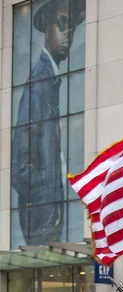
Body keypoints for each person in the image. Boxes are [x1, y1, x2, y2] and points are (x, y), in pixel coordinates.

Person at [11, 0, 85, 244]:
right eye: (62, 23)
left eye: (72, 26)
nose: (68, 32)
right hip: (42, 223)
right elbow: (20, 169)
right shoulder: (39, 85)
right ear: (46, 28)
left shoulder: (51, 78)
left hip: (50, 220)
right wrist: (47, 204)